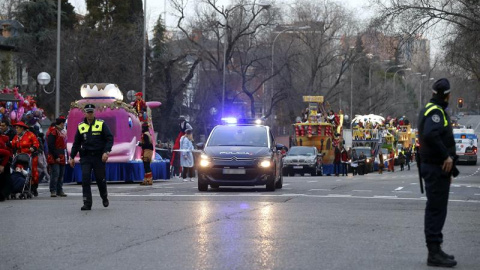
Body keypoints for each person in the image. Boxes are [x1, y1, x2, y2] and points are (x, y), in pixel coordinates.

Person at [417, 78, 458, 267]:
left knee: (438, 209)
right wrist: (446, 157)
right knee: (436, 210)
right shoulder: (435, 111)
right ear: (446, 95)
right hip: (435, 167)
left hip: (437, 168)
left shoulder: (433, 109)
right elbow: (431, 134)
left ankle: (436, 249)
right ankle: (433, 253)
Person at [69, 104, 114, 211]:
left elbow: (109, 139)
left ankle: (104, 196)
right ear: (84, 113)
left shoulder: (101, 124)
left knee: (100, 179)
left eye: (91, 112)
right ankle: (87, 203)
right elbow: (76, 143)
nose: (89, 114)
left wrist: (106, 152)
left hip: (99, 157)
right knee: (85, 179)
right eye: (88, 112)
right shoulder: (81, 126)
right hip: (86, 157)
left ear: (94, 113)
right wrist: (71, 157)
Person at [10, 121, 40, 196]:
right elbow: (13, 144)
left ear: (22, 128)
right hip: (19, 157)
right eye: (15, 128)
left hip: (30, 156)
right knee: (19, 170)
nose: (16, 129)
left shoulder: (30, 135)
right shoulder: (16, 136)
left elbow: (36, 143)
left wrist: (33, 148)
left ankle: (34, 188)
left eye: (17, 128)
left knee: (33, 172)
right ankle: (20, 186)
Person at [46, 116, 67, 197]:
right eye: (63, 123)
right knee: (55, 173)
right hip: (55, 155)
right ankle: (53, 190)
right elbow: (51, 145)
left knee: (61, 174)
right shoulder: (53, 131)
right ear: (61, 123)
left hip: (62, 155)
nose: (64, 124)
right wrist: (56, 156)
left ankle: (59, 190)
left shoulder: (62, 131)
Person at [0, 134, 13, 201]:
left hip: (5, 160)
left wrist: (2, 165)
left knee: (6, 177)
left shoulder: (4, 138)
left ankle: (4, 194)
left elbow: (7, 153)